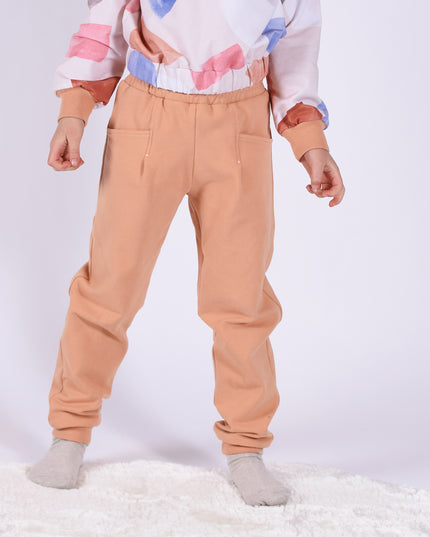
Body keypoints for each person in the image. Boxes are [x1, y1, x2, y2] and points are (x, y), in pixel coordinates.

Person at [27, 0, 345, 506]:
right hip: (147, 115)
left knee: (241, 296)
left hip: (240, 122)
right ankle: (69, 432)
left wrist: (312, 145)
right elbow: (104, 25)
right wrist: (73, 113)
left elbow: (296, 55)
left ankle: (246, 447)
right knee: (110, 284)